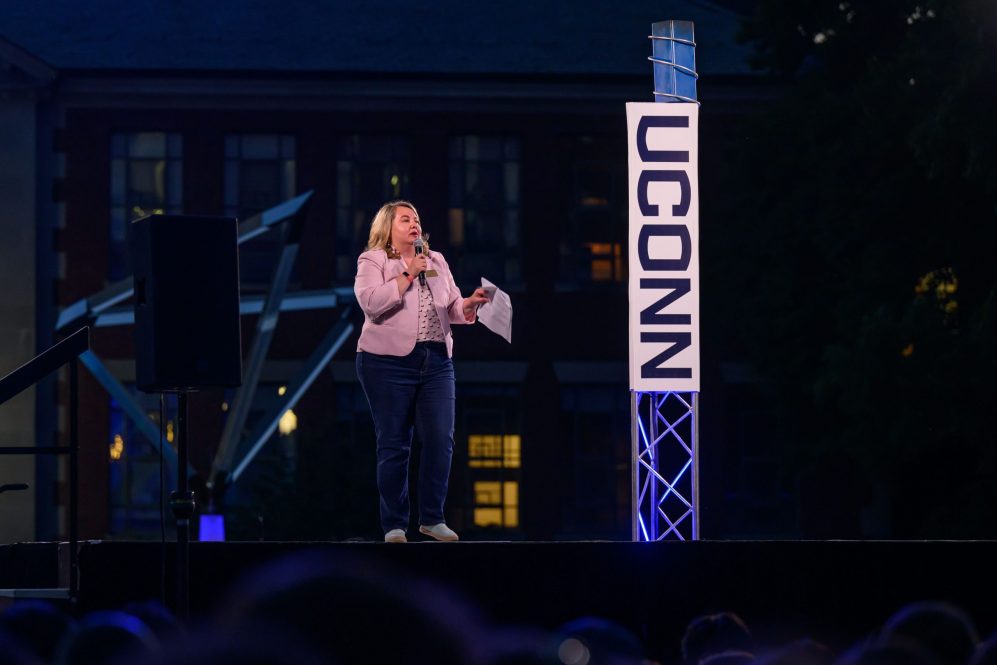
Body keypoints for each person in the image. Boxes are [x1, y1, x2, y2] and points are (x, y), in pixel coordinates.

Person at [354, 200, 489, 543]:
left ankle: (432, 518)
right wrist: (409, 272)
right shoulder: (373, 260)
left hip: (437, 360)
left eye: (416, 219)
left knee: (441, 438)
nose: (414, 224)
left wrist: (469, 305)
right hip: (386, 362)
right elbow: (371, 303)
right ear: (388, 228)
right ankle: (395, 525)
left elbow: (452, 307)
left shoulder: (437, 260)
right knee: (395, 443)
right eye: (405, 220)